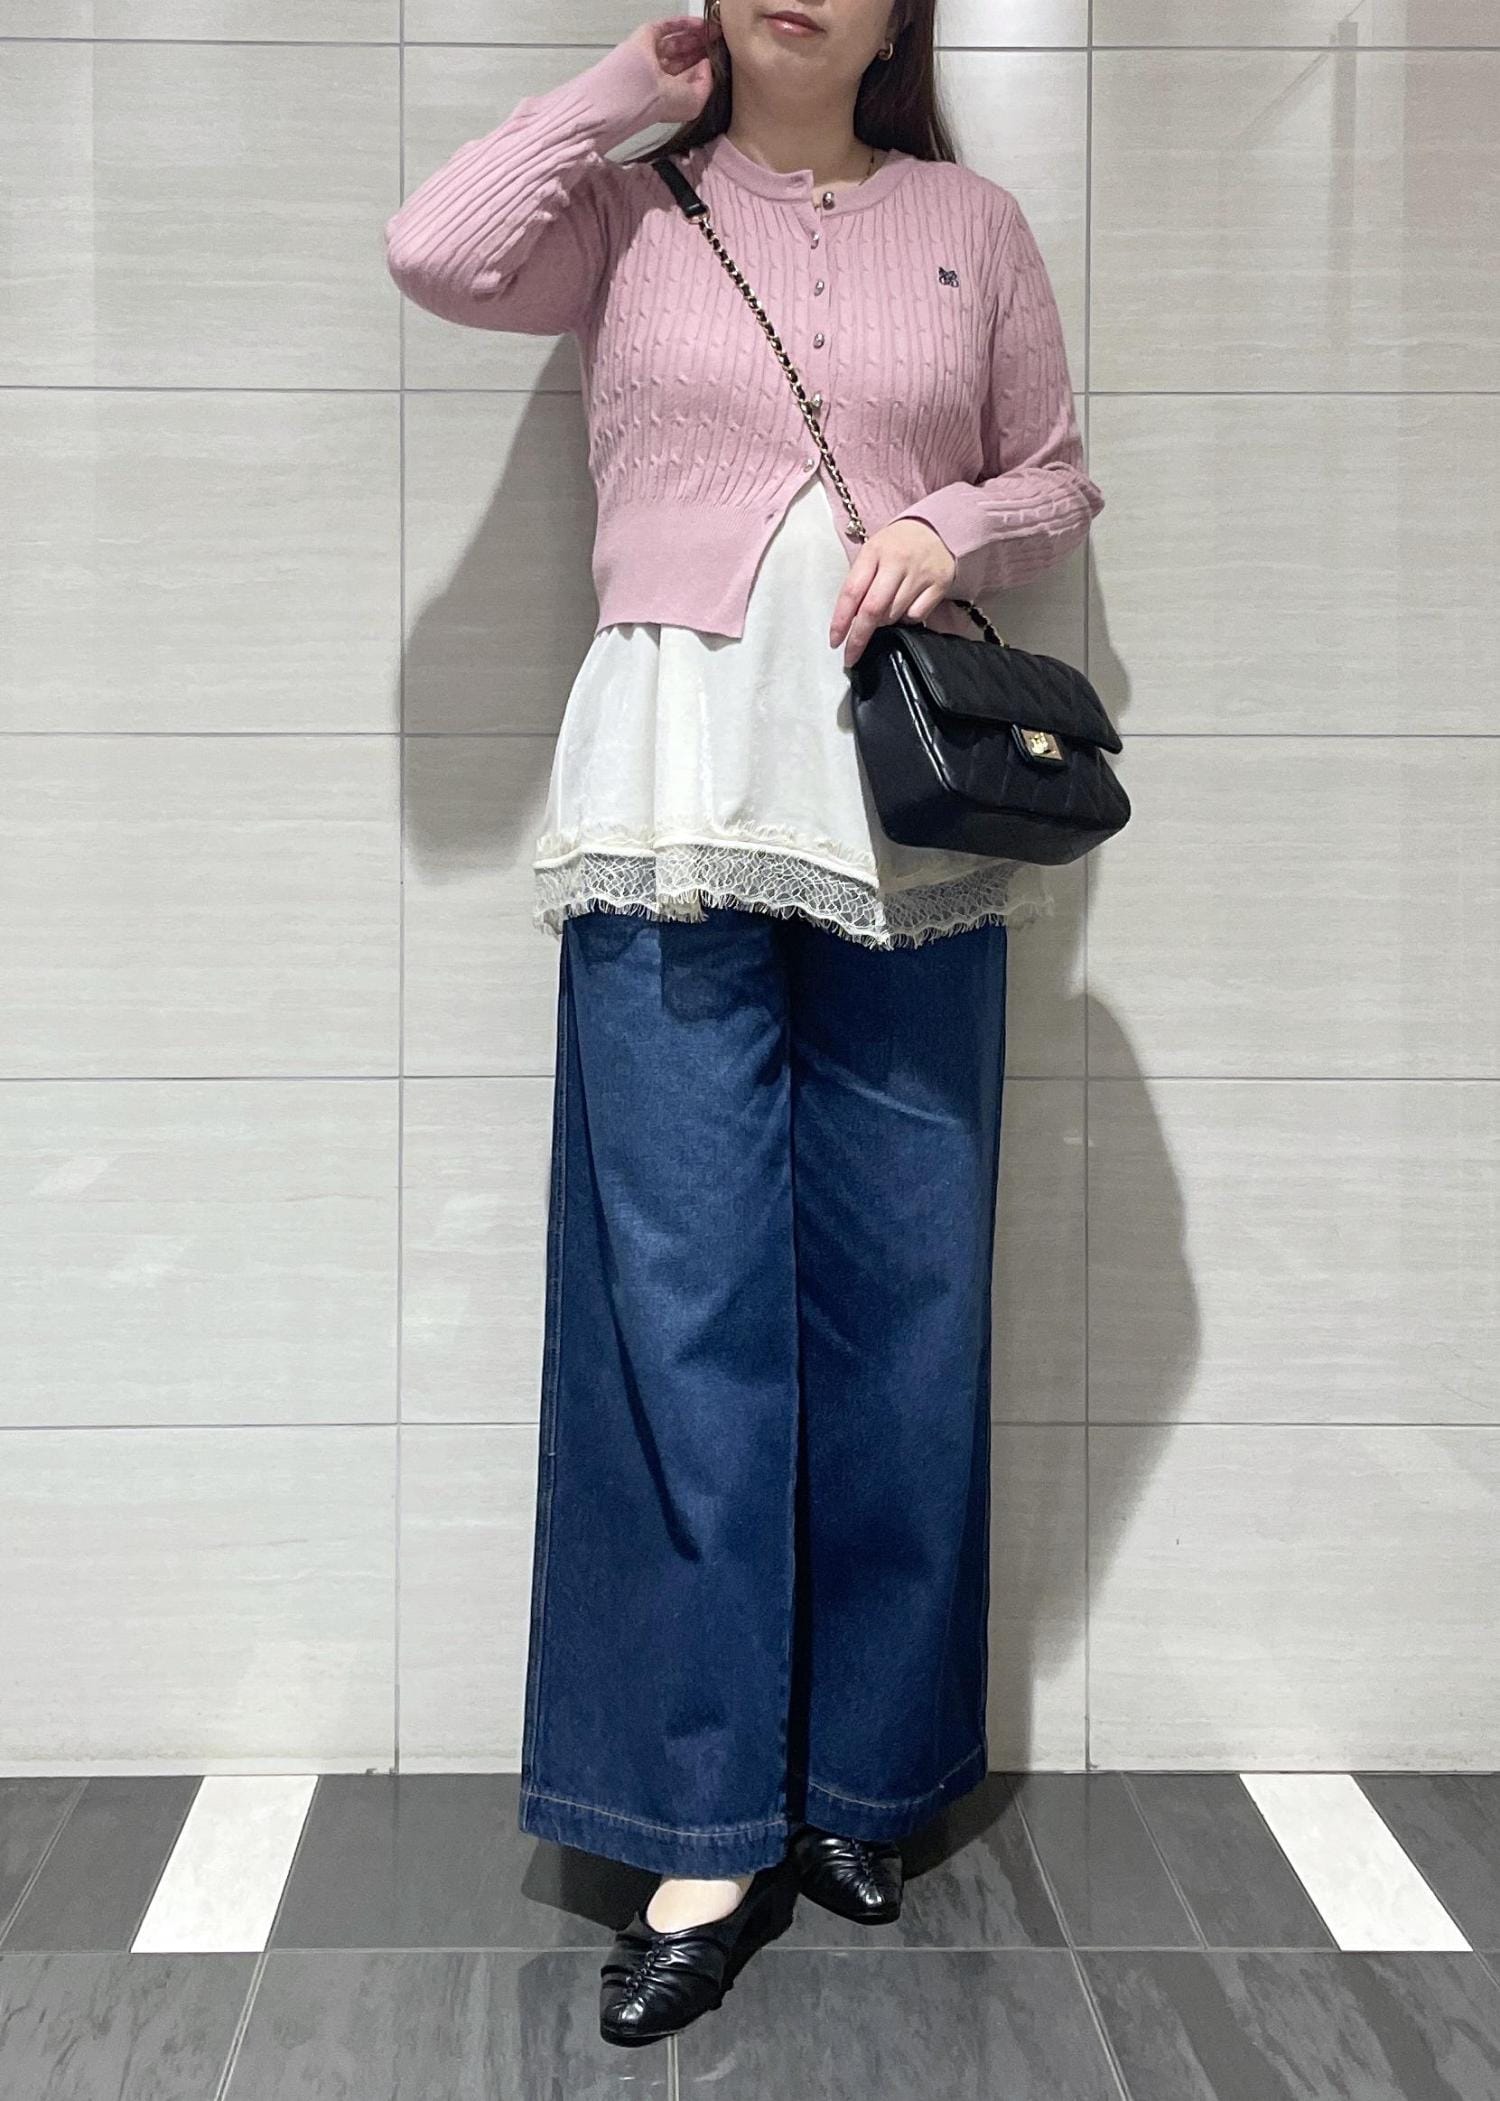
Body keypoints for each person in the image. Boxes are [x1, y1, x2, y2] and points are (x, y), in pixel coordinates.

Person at [385, 0, 1103, 2049]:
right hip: (670, 809)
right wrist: (634, 86)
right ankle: (697, 1825)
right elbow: (435, 250)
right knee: (678, 1318)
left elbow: (1059, 471)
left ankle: (869, 1773)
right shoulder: (630, 212)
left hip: (906, 825)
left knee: (909, 1311)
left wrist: (950, 527)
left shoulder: (972, 222)